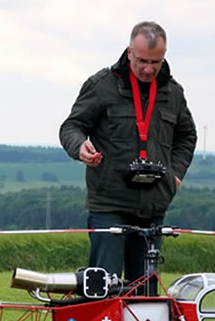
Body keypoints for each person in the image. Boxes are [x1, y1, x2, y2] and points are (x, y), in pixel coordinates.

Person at [59, 21, 197, 284]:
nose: (148, 69)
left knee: (145, 297)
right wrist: (80, 147)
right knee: (103, 288)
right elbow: (72, 126)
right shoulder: (102, 85)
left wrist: (175, 175)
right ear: (129, 52)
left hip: (154, 206)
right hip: (109, 204)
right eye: (143, 60)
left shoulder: (173, 92)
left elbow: (187, 136)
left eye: (156, 62)